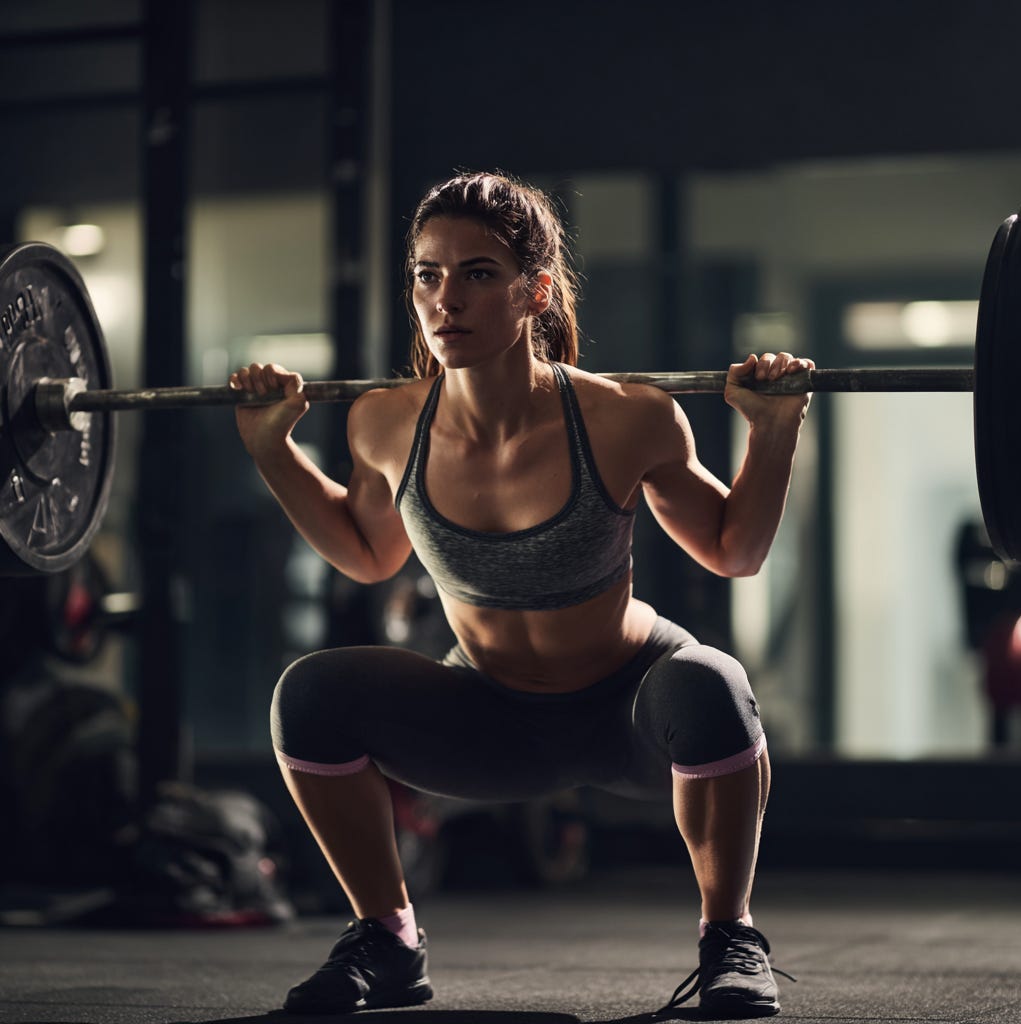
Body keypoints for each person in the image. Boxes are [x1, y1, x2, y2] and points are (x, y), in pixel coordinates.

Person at [229, 171, 813, 1019]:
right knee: (311, 692)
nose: (445, 299)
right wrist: (273, 450)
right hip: (489, 717)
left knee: (711, 680)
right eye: (427, 274)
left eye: (477, 273)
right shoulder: (387, 421)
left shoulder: (625, 418)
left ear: (534, 291)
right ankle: (387, 941)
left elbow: (735, 550)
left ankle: (731, 938)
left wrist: (772, 432)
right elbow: (365, 555)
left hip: (630, 715)